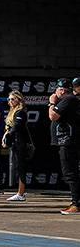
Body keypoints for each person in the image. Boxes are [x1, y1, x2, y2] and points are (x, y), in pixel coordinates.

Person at [49, 78, 80, 215]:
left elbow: (53, 116)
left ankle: (76, 204)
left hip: (68, 142)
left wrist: (51, 102)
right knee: (70, 173)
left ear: (61, 89)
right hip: (65, 141)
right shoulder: (68, 99)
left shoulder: (68, 99)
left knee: (70, 173)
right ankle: (75, 202)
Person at [2, 91, 31, 201]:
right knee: (17, 167)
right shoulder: (12, 111)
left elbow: (17, 127)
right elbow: (8, 128)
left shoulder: (20, 112)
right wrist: (5, 136)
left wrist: (8, 135)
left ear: (19, 100)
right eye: (9, 99)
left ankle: (21, 193)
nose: (10, 101)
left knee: (21, 167)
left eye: (13, 99)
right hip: (14, 142)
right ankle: (19, 192)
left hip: (21, 142)